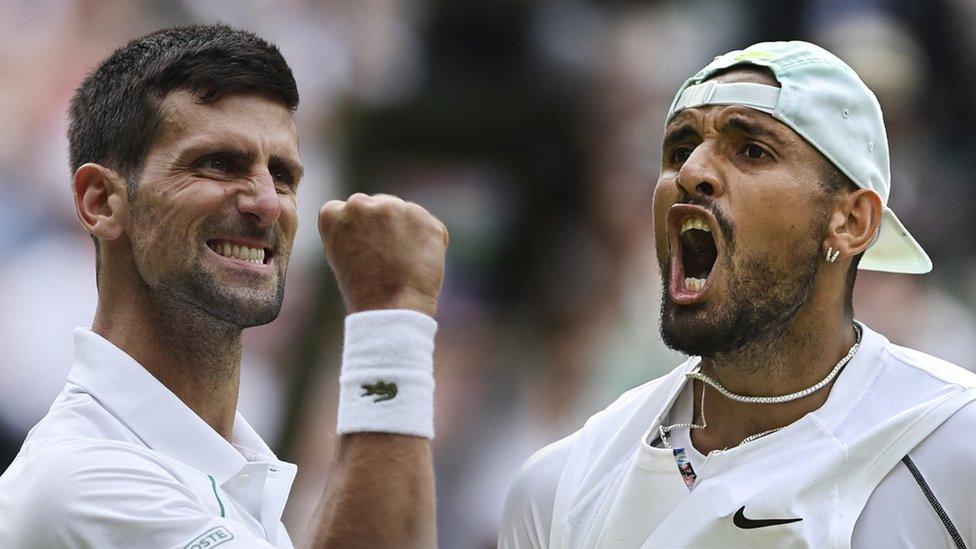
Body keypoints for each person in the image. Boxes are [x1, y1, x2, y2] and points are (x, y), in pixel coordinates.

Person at [499, 41, 976, 548]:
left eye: (752, 150)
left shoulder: (958, 447)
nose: (689, 173)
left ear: (850, 221)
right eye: (679, 151)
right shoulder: (558, 488)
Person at [0, 24, 448, 548]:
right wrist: (390, 319)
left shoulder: (228, 466)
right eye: (218, 164)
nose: (266, 203)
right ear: (100, 200)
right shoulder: (80, 480)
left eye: (282, 174)